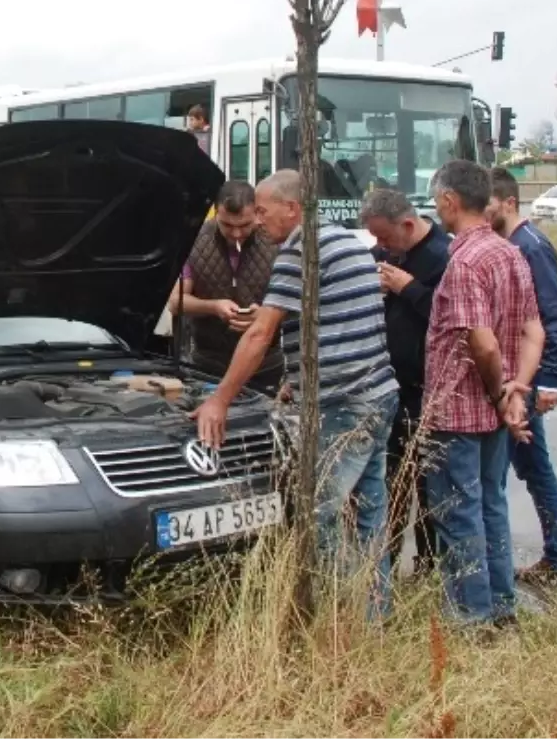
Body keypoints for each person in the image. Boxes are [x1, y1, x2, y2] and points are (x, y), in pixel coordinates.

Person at [191, 169, 398, 612]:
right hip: (379, 393)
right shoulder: (347, 241)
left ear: (293, 208)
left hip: (342, 403)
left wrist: (219, 400)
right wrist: (294, 379)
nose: (259, 222)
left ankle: (339, 619)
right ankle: (375, 616)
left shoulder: (300, 250)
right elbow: (338, 322)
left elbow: (259, 335)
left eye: (263, 212)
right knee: (368, 516)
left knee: (318, 513)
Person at [422, 160, 545, 628]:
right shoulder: (509, 252)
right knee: (492, 504)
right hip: (499, 411)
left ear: (450, 201)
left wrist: (498, 395)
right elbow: (533, 330)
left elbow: (484, 341)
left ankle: (471, 618)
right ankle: (502, 608)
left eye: (437, 201)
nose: (437, 209)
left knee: (460, 514)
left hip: (461, 411)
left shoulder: (465, 261)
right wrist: (518, 392)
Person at [487, 167, 557, 586]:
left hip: (526, 385)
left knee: (523, 472)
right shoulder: (512, 244)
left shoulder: (530, 247)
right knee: (529, 469)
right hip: (517, 385)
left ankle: (556, 562)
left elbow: (556, 319)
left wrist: (547, 381)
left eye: (486, 204)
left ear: (508, 202)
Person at [360, 188, 451, 577]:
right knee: (388, 483)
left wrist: (409, 289)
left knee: (429, 488)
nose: (381, 248)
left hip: (426, 392)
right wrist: (373, 288)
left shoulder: (443, 256)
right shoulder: (382, 256)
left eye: (385, 238)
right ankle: (385, 564)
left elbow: (452, 318)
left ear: (409, 225)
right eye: (376, 241)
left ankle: (430, 566)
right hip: (386, 388)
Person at [168, 180, 286, 393]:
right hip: (208, 365)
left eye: (244, 225)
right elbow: (176, 302)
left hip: (264, 366)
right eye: (227, 225)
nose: (237, 234)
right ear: (215, 212)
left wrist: (266, 315)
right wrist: (213, 307)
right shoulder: (195, 240)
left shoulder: (277, 240)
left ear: (257, 213)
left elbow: (301, 303)